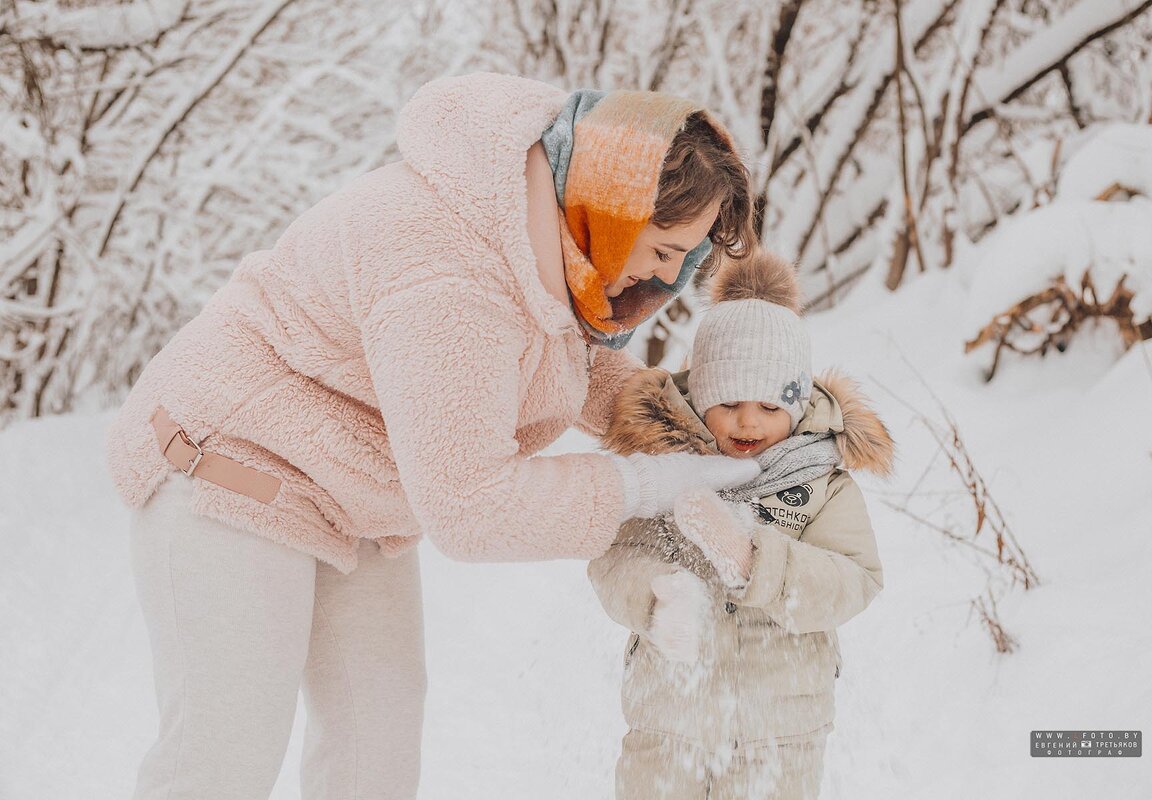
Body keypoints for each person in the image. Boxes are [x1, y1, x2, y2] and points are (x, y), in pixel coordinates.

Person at [104, 72, 761, 799]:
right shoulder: (449, 272)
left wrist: (698, 437)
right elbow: (472, 504)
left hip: (345, 489)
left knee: (374, 743)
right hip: (228, 467)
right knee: (225, 757)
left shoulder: (543, 230)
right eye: (664, 248)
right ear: (611, 202)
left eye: (684, 258)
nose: (667, 277)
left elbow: (568, 361)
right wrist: (642, 487)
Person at [588, 248, 896, 799]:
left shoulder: (821, 482)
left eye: (770, 407)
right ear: (701, 394)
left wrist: (757, 562)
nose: (748, 421)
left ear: (798, 407)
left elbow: (855, 580)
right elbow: (614, 561)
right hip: (668, 722)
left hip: (782, 733)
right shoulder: (664, 468)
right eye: (728, 401)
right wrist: (659, 598)